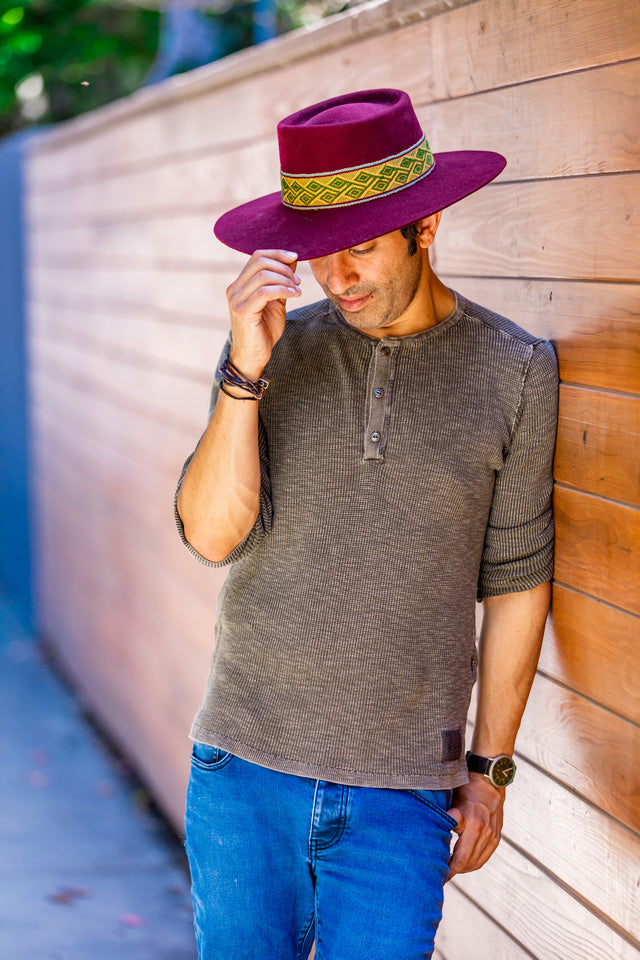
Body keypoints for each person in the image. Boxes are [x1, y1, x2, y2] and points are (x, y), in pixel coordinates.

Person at [174, 88, 558, 960]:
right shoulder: (270, 350)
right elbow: (210, 536)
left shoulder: (516, 371)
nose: (337, 278)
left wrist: (490, 770)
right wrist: (245, 371)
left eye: (361, 247)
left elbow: (518, 584)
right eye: (319, 252)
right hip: (244, 770)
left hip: (402, 792)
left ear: (426, 228)